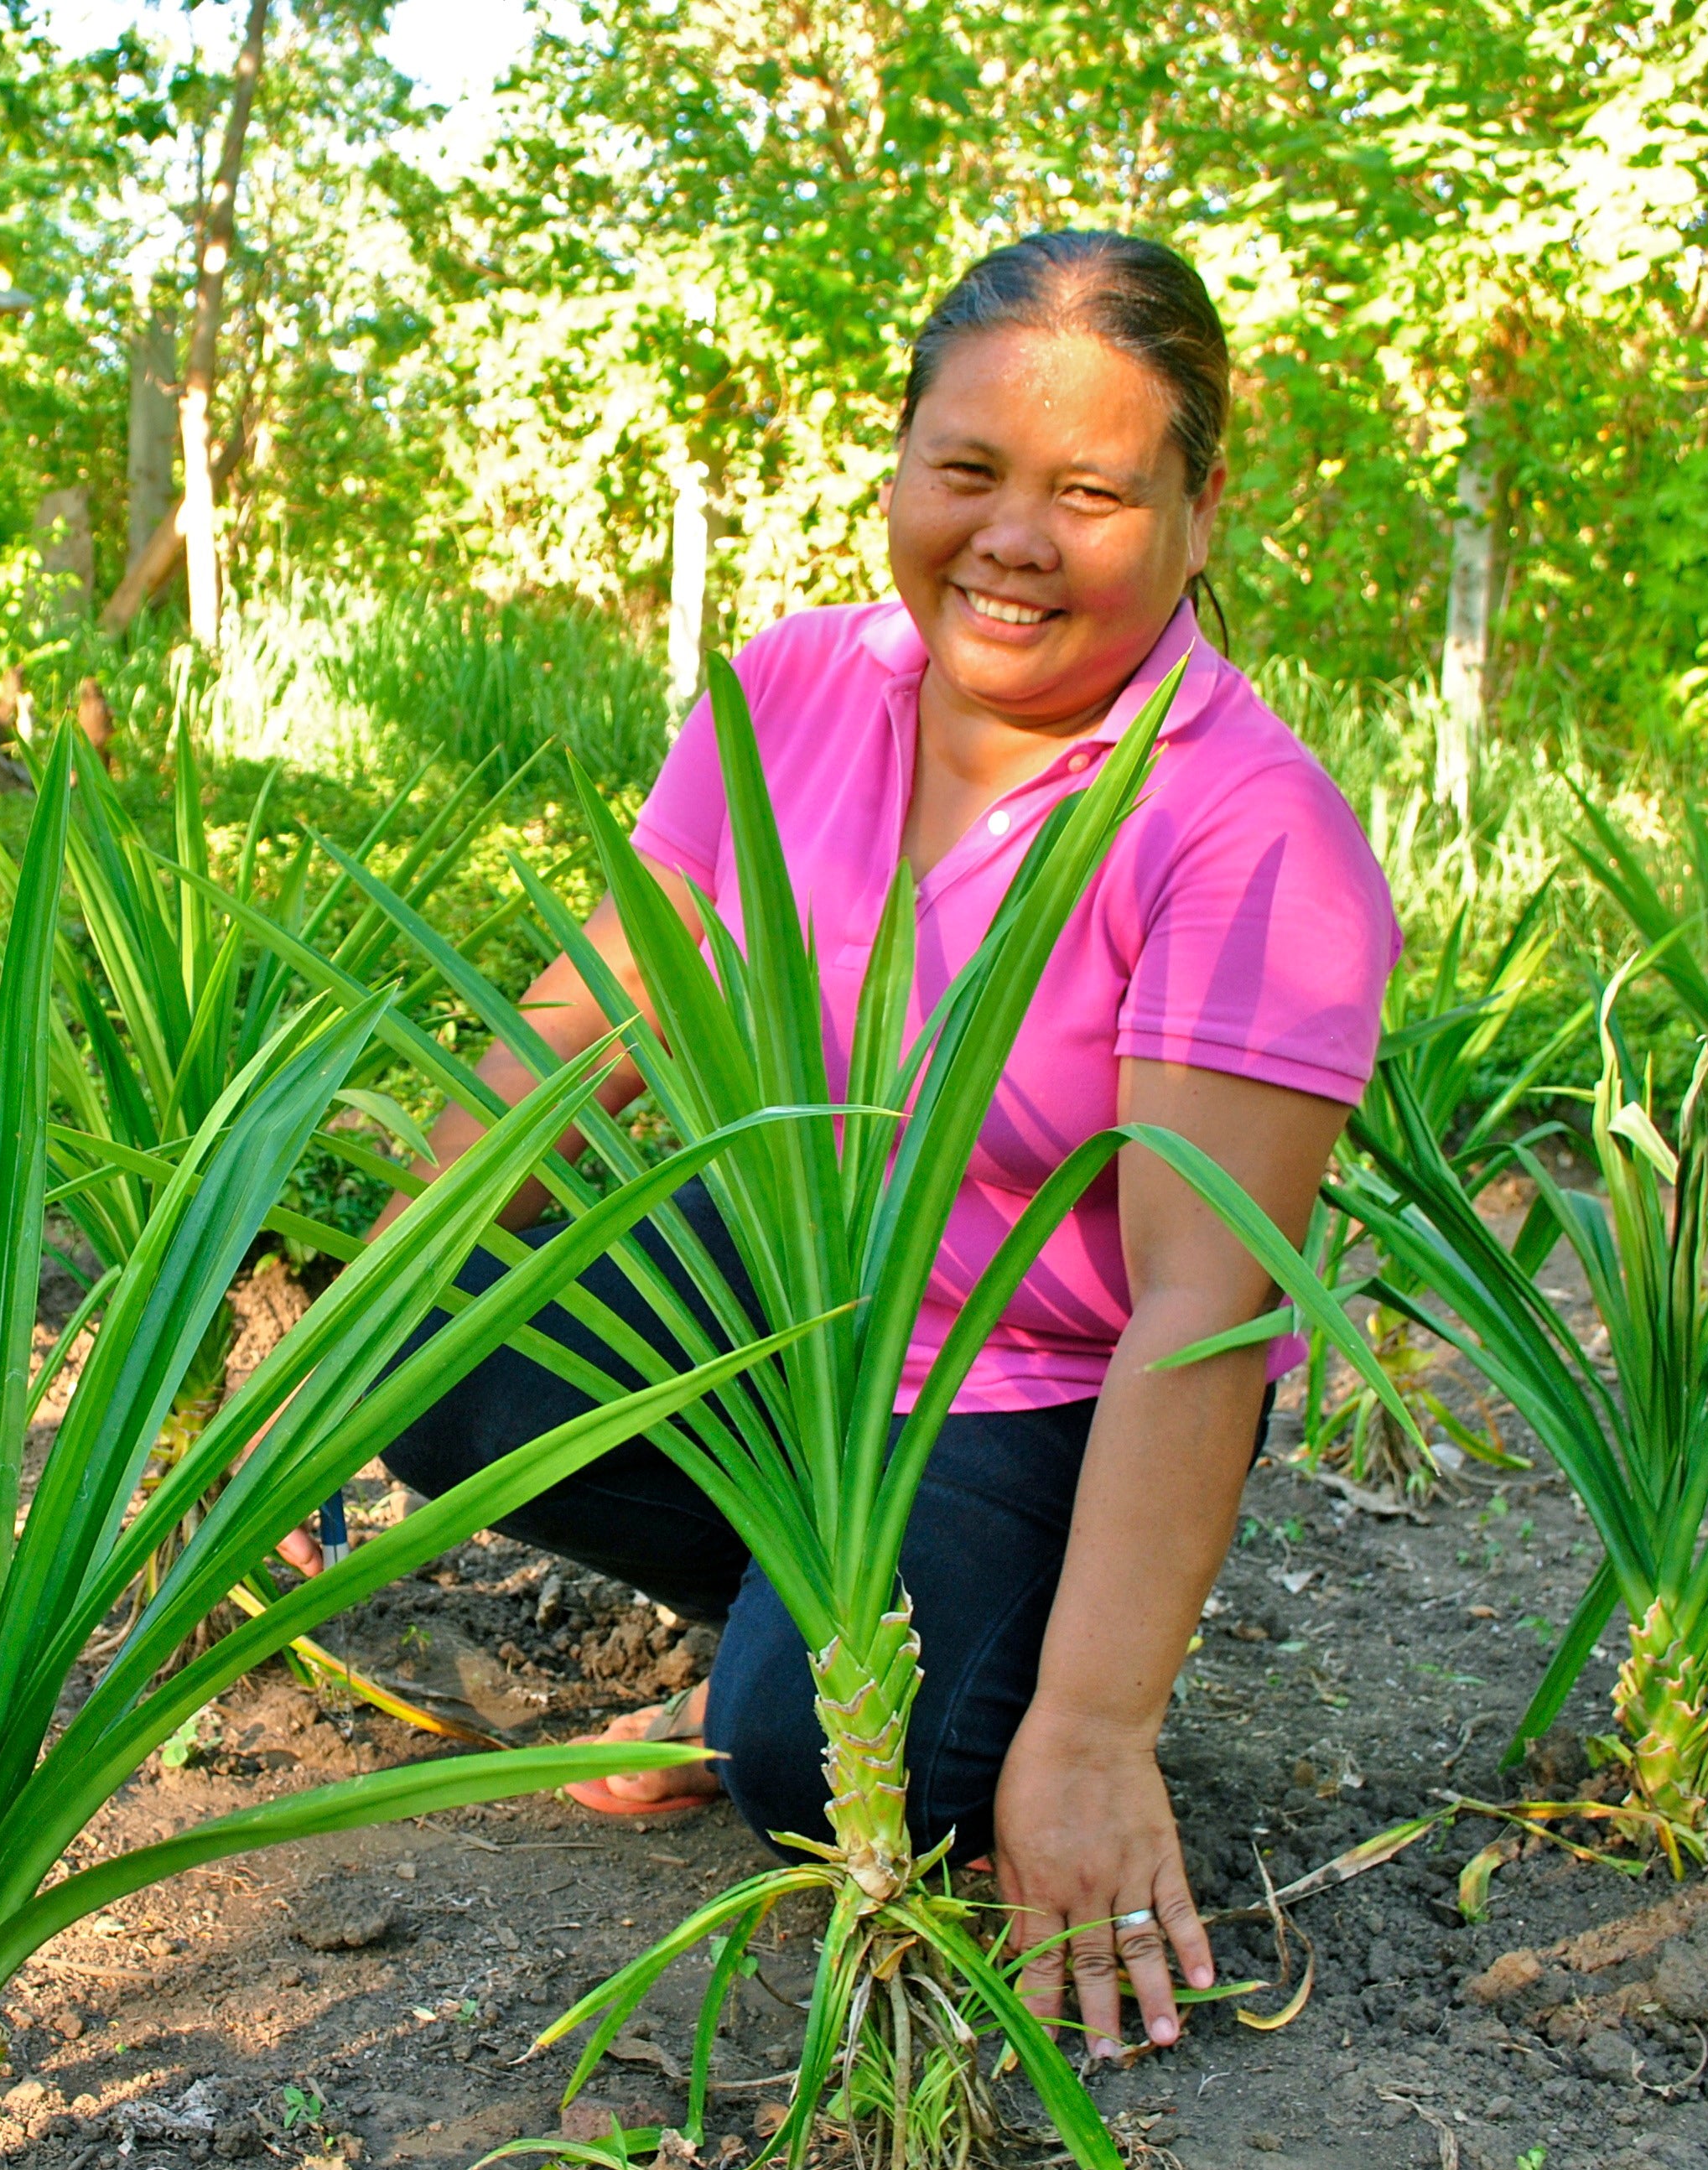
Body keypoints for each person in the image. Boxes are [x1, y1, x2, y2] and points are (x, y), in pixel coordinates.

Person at [321, 231, 1397, 2064]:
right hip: (804, 1326)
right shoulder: (797, 690)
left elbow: (1203, 1310)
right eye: (967, 472)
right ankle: (813, 1619)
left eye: (1089, 493)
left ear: (1202, 509)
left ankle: (929, 1662)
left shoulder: (1246, 827)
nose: (1011, 539)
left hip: (1041, 1386)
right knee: (419, 1341)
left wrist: (1093, 1731)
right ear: (897, 463)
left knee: (804, 1768)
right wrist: (321, 1373)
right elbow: (589, 1026)